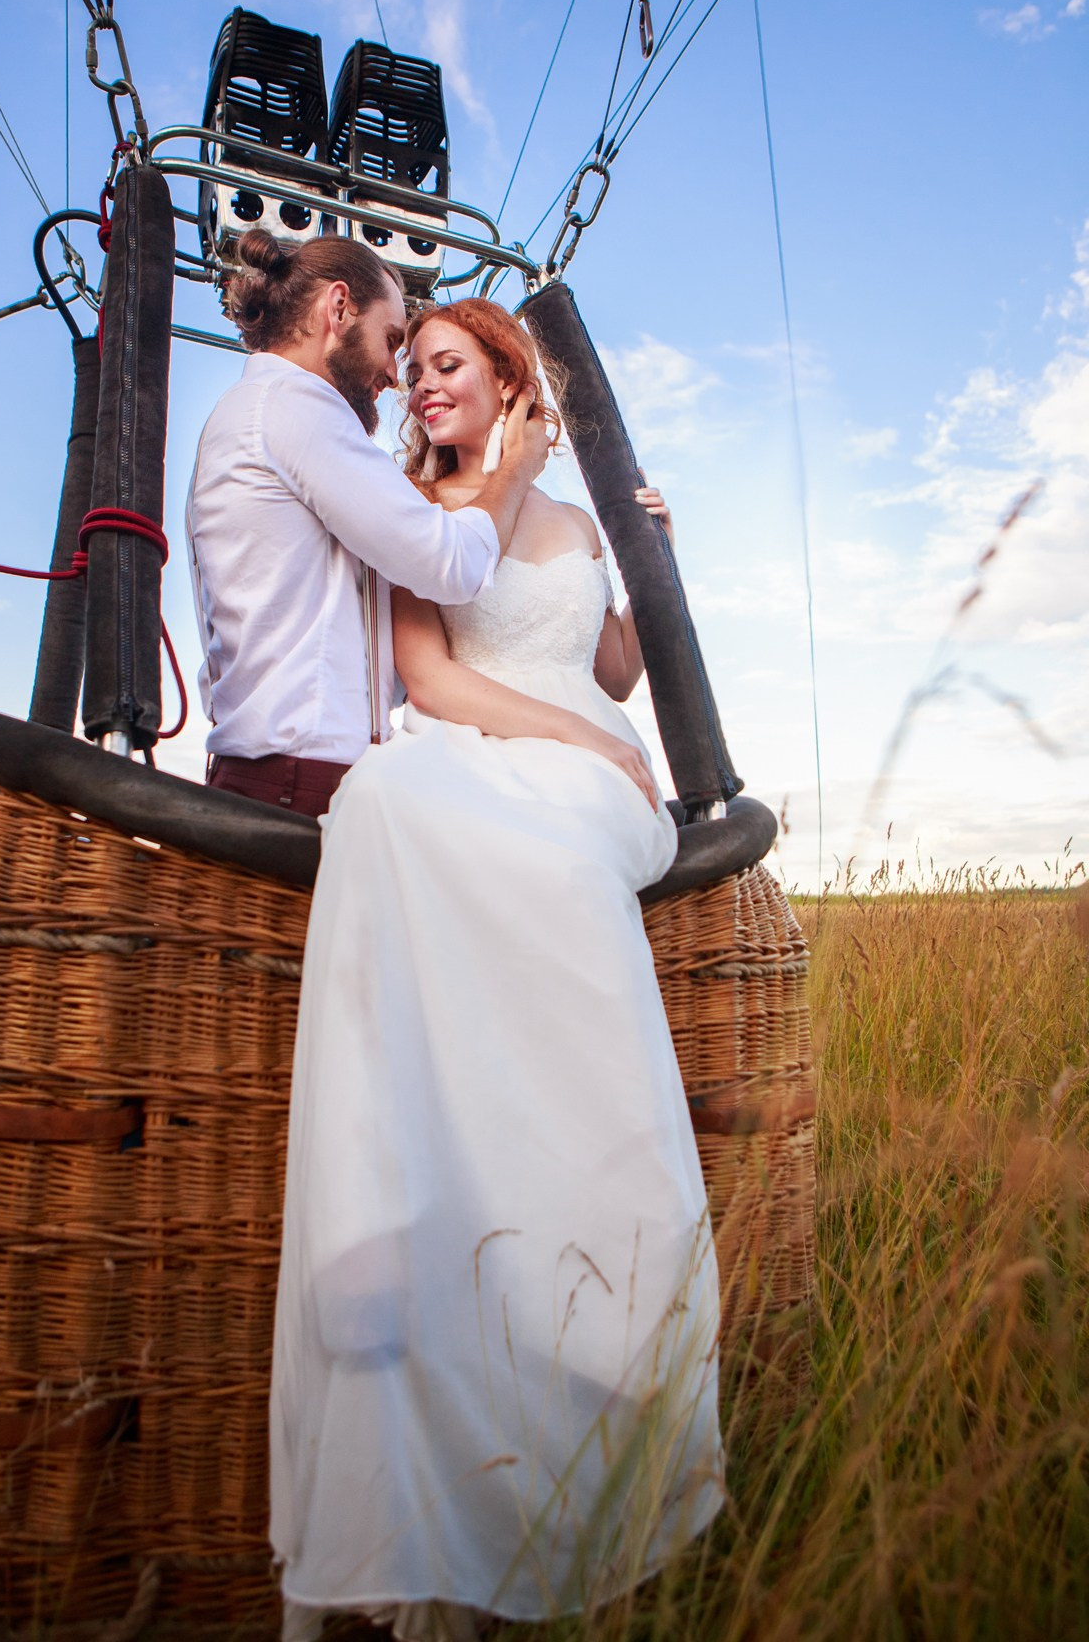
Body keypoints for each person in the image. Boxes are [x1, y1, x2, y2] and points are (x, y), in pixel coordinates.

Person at [270, 299, 725, 1641]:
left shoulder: (572, 525)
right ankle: (464, 1125)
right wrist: (576, 743)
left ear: (507, 377)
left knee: (520, 835)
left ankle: (583, 1149)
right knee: (396, 794)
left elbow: (617, 675)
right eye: (411, 372)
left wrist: (651, 564)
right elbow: (432, 680)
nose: (420, 388)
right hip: (514, 749)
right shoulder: (429, 513)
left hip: (590, 771)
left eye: (445, 366)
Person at [186, 232, 550, 817]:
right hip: (299, 783)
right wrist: (517, 466)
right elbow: (452, 564)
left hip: (287, 773)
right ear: (337, 309)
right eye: (390, 341)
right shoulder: (296, 408)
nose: (394, 374)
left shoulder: (263, 409)